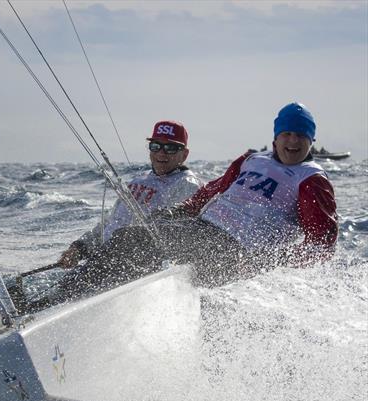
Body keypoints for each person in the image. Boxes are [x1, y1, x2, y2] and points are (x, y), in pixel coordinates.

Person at [48, 102, 337, 304]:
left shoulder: (311, 181)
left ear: (311, 140)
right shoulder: (251, 160)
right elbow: (212, 190)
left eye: (301, 135)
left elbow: (321, 244)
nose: (293, 141)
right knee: (134, 235)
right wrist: (178, 212)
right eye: (287, 133)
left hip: (235, 250)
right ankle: (70, 296)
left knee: (136, 243)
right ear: (276, 136)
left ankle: (64, 300)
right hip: (204, 229)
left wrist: (267, 264)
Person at [56, 120, 203, 270]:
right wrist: (79, 248)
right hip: (103, 259)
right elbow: (110, 222)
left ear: (184, 154)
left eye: (170, 148)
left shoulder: (187, 184)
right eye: (155, 146)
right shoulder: (138, 180)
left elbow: (176, 235)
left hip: (136, 267)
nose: (161, 153)